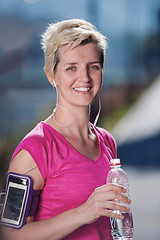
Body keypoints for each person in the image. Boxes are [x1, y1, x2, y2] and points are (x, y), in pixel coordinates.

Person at [2, 19, 131, 240]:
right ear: (51, 76)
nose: (85, 78)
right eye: (71, 67)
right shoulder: (34, 150)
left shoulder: (107, 141)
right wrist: (84, 212)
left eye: (94, 67)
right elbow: (10, 234)